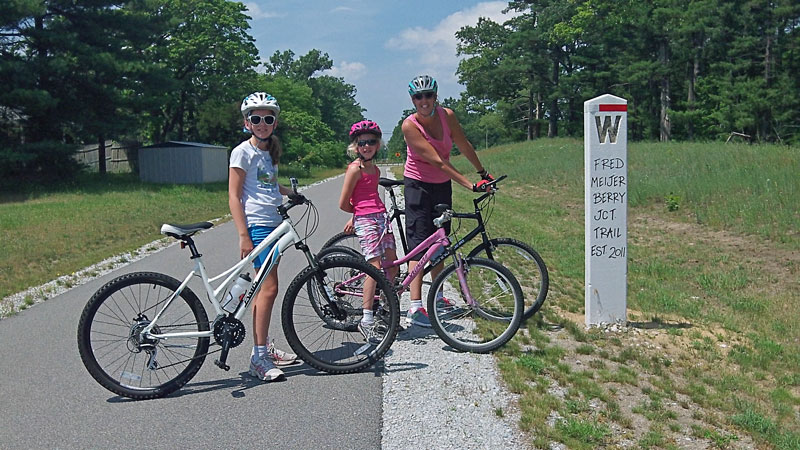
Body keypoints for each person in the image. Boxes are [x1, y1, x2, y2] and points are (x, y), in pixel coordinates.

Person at [401, 74, 493, 327]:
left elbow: (463, 144)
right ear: (413, 99)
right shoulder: (409, 126)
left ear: (435, 96)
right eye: (418, 97)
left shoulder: (447, 116)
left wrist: (482, 172)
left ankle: (438, 298)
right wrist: (470, 185)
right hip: (417, 185)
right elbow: (438, 161)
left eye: (428, 95)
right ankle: (415, 307)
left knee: (441, 242)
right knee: (419, 244)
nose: (424, 101)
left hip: (441, 185)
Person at [229, 92, 300, 382]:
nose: (262, 123)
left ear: (274, 122)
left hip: (274, 222)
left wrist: (290, 193)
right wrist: (244, 235)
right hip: (258, 226)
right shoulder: (242, 152)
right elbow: (234, 196)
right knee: (269, 288)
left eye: (268, 118)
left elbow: (269, 185)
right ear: (247, 122)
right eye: (256, 119)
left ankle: (265, 345)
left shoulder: (270, 151)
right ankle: (258, 358)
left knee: (263, 289)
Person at [338, 120, 399, 343]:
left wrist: (361, 214)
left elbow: (369, 195)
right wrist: (357, 216)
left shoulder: (375, 168)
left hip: (381, 217)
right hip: (366, 219)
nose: (367, 146)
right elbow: (344, 202)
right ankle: (366, 319)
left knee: (392, 266)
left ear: (378, 144)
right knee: (373, 267)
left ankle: (385, 310)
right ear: (355, 146)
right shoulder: (355, 169)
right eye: (362, 143)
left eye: (371, 142)